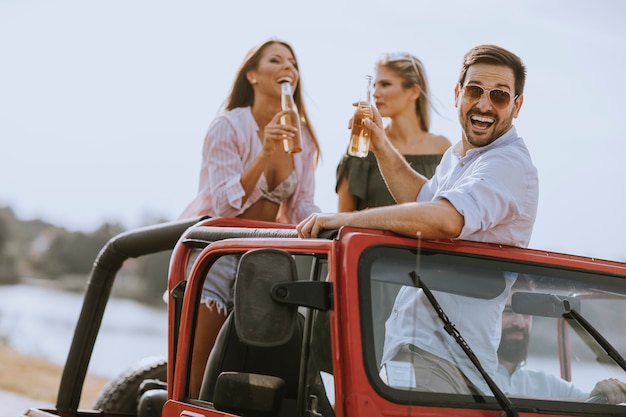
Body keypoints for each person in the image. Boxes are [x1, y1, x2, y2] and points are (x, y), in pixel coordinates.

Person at [297, 44, 539, 395]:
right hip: (427, 352)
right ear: (458, 94)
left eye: (499, 96)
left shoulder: (509, 164)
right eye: (474, 91)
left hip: (446, 359)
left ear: (516, 106)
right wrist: (380, 142)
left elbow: (445, 220)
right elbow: (422, 201)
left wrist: (346, 220)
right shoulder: (461, 156)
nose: (484, 105)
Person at [180, 38, 321, 396]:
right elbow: (226, 207)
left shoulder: (302, 137)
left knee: (246, 368)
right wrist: (265, 153)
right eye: (276, 60)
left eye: (293, 62)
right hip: (218, 255)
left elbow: (302, 205)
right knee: (194, 375)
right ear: (253, 75)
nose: (288, 67)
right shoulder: (227, 127)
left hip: (264, 262)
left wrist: (331, 224)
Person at [335, 52, 451, 212]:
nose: (375, 93)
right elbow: (343, 219)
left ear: (414, 92)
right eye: (375, 85)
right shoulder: (365, 144)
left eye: (385, 84)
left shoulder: (442, 148)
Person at [496, 283, 626, 403]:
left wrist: (607, 392)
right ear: (488, 318)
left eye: (526, 314)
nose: (520, 323)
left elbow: (589, 403)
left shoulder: (547, 384)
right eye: (507, 311)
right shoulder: (476, 379)